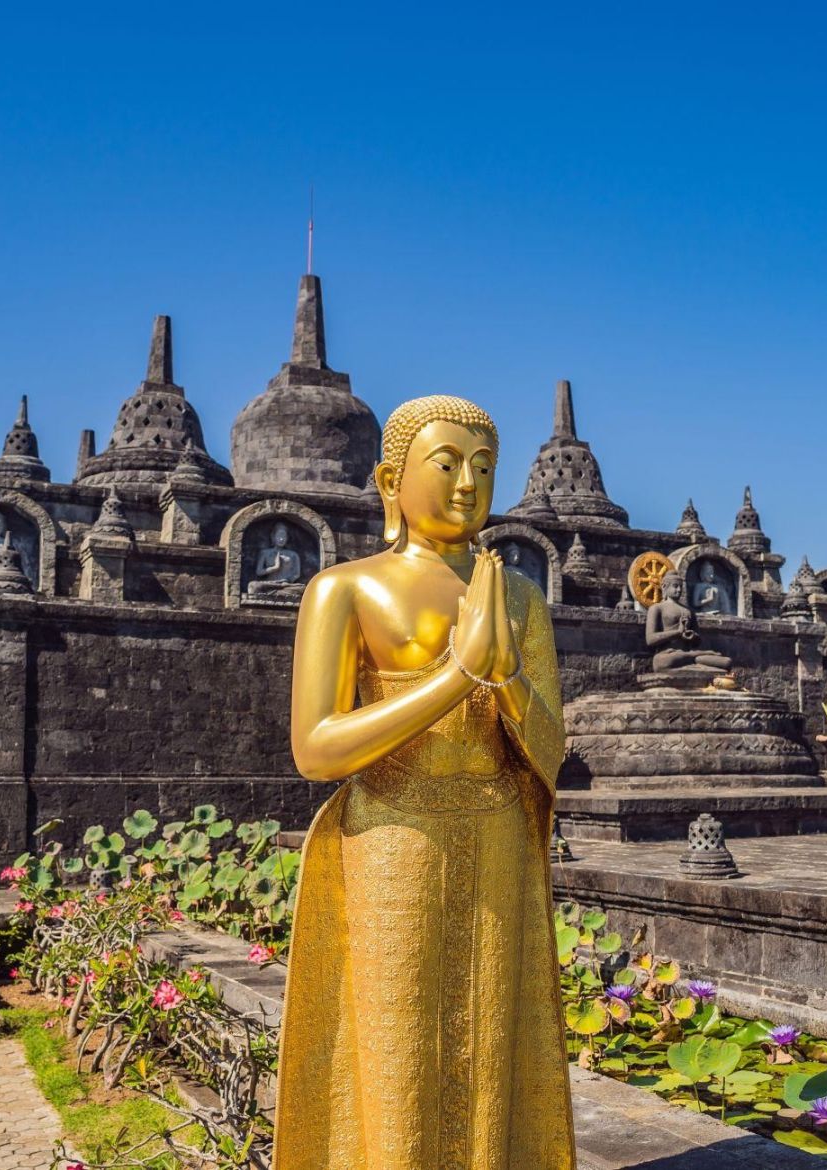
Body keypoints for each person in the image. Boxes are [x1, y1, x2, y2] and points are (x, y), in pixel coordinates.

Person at [274, 395, 576, 1170]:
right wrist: (456, 678)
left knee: (491, 1042)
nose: (468, 485)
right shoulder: (345, 589)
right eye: (445, 465)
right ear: (390, 480)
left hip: (500, 831)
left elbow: (549, 747)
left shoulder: (518, 598)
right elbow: (316, 747)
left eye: (483, 468)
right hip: (394, 837)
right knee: (398, 1049)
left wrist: (505, 678)